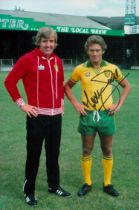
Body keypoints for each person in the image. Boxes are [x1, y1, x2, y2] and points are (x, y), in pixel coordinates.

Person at [4, 27, 70, 206]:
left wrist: (61, 104)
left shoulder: (57, 61)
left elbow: (59, 85)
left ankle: (54, 185)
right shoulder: (27, 60)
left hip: (56, 117)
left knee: (53, 154)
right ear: (38, 41)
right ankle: (29, 191)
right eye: (45, 41)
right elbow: (9, 81)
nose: (48, 45)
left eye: (51, 41)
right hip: (37, 116)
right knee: (33, 155)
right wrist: (22, 104)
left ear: (55, 43)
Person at [64, 35, 131, 197]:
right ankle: (87, 183)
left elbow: (126, 86)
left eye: (97, 50)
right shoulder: (80, 69)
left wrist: (118, 104)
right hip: (87, 115)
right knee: (87, 150)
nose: (94, 54)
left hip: (106, 115)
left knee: (107, 149)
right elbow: (67, 87)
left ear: (103, 51)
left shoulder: (112, 69)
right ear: (87, 51)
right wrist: (76, 104)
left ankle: (107, 183)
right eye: (91, 50)